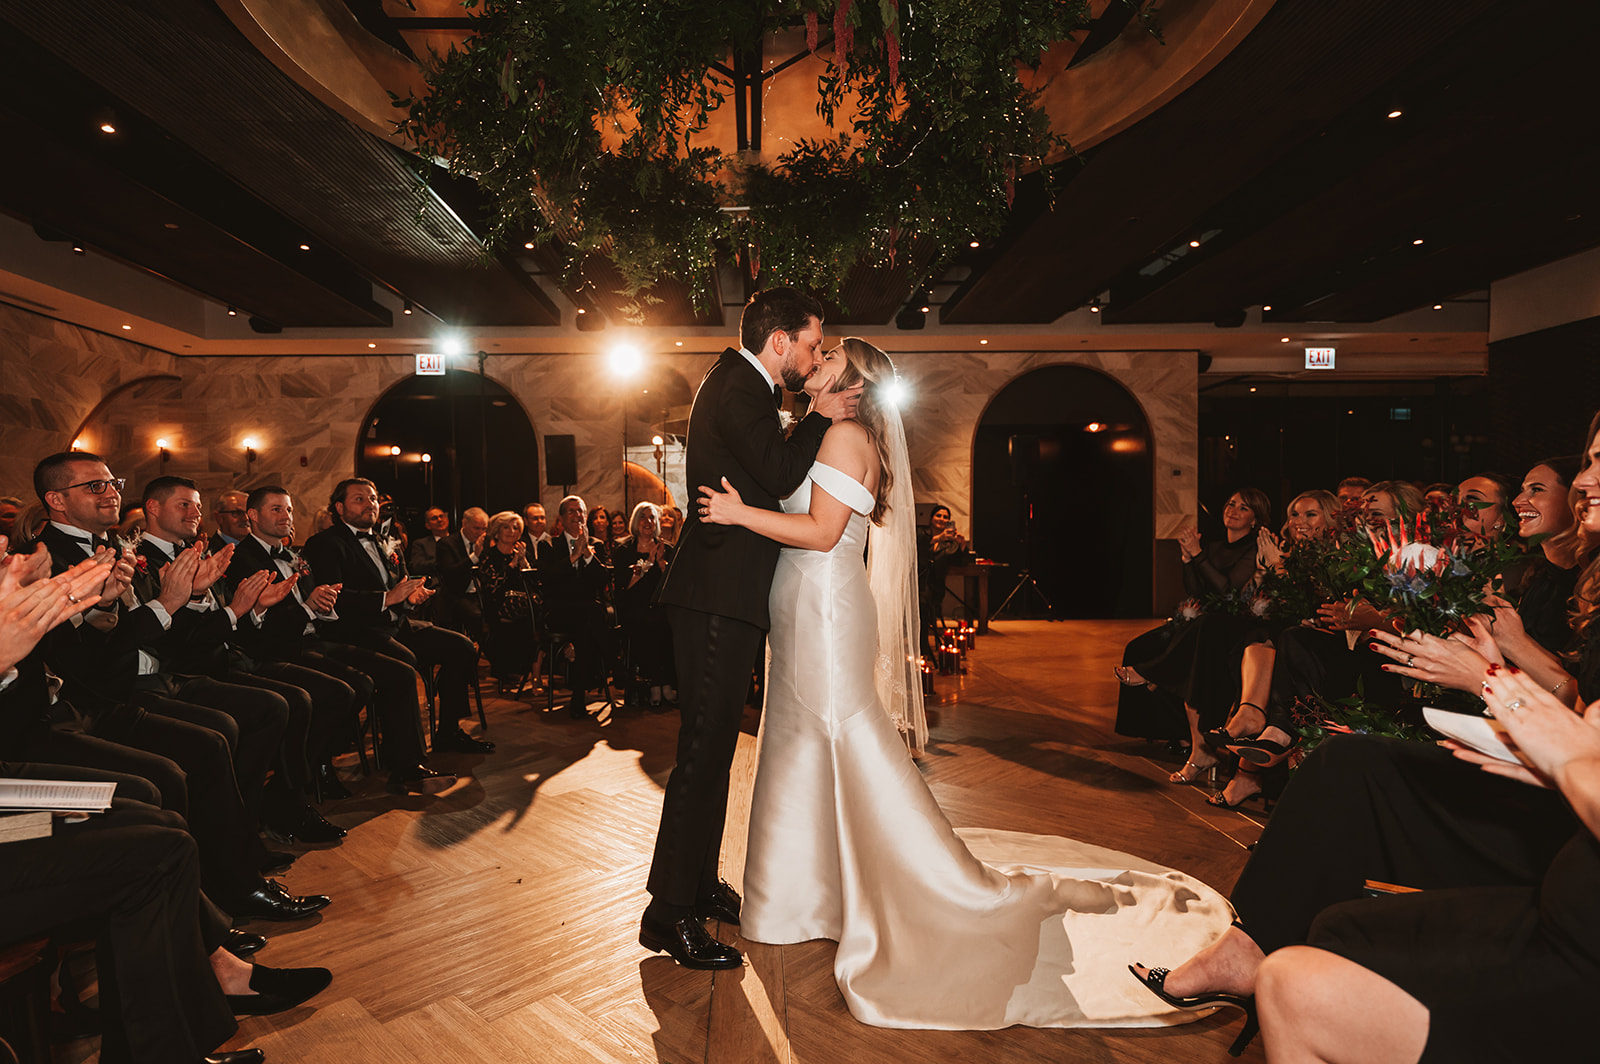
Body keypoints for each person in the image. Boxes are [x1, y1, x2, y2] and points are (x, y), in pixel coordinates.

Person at [698, 337, 1231, 1028]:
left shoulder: (846, 437)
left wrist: (739, 515)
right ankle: (809, 892)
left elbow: (823, 532)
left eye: (827, 354)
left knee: (837, 737)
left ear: (851, 380)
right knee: (804, 744)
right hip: (806, 609)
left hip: (824, 608)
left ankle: (883, 886)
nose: (816, 358)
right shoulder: (831, 432)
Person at [640, 286, 859, 970]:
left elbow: (764, 474)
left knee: (712, 758)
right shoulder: (740, 387)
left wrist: (804, 418)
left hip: (724, 597)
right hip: (713, 597)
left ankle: (698, 884)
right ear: (780, 342)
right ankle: (666, 913)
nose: (816, 355)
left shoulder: (743, 386)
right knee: (702, 757)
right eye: (814, 343)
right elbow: (781, 470)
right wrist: (820, 415)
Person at [611, 501, 674, 705]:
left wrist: (662, 564)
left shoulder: (667, 548)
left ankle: (664, 683)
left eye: (652, 517)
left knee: (667, 624)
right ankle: (657, 685)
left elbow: (673, 586)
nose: (648, 522)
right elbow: (623, 586)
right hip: (632, 606)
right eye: (643, 517)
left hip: (658, 606)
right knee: (647, 624)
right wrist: (647, 563)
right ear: (635, 521)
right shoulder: (623, 548)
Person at [478, 510, 534, 689]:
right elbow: (494, 587)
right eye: (506, 527)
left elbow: (534, 583)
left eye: (516, 527)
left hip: (523, 603)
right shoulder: (489, 556)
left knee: (535, 610)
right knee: (521, 611)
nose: (512, 531)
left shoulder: (522, 552)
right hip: (497, 603)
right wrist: (512, 564)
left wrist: (523, 561)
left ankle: (531, 668)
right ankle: (509, 669)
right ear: (497, 531)